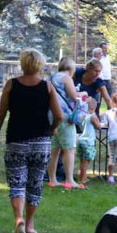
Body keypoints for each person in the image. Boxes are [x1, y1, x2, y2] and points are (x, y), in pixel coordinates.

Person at [0, 49, 62, 233]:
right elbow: (59, 116)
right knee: (35, 184)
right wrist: (52, 129)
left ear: (23, 64)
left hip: (16, 141)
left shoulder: (11, 85)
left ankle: (18, 220)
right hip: (41, 143)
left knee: (17, 184)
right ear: (39, 65)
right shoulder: (47, 87)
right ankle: (30, 225)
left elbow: (0, 113)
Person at [47, 56, 82, 189]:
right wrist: (83, 94)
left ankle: (52, 179)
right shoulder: (66, 78)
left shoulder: (51, 78)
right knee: (69, 148)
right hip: (65, 115)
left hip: (52, 115)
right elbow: (74, 96)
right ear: (71, 68)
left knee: (54, 149)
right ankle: (69, 180)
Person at [74, 97, 101, 185]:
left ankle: (82, 176)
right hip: (88, 141)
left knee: (82, 160)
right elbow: (99, 127)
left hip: (80, 139)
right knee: (86, 161)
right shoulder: (92, 117)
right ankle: (82, 179)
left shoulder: (82, 115)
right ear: (93, 108)